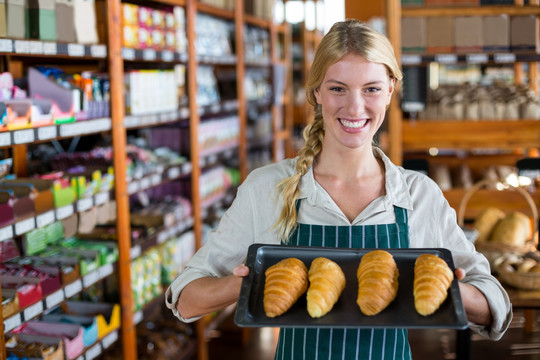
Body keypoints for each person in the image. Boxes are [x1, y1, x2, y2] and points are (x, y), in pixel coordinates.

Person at [166, 19, 512, 359]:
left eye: (371, 89)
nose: (354, 107)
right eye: (337, 88)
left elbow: (494, 304)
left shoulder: (418, 195)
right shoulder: (268, 188)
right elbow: (185, 298)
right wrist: (243, 285)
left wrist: (451, 288)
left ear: (391, 90)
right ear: (316, 92)